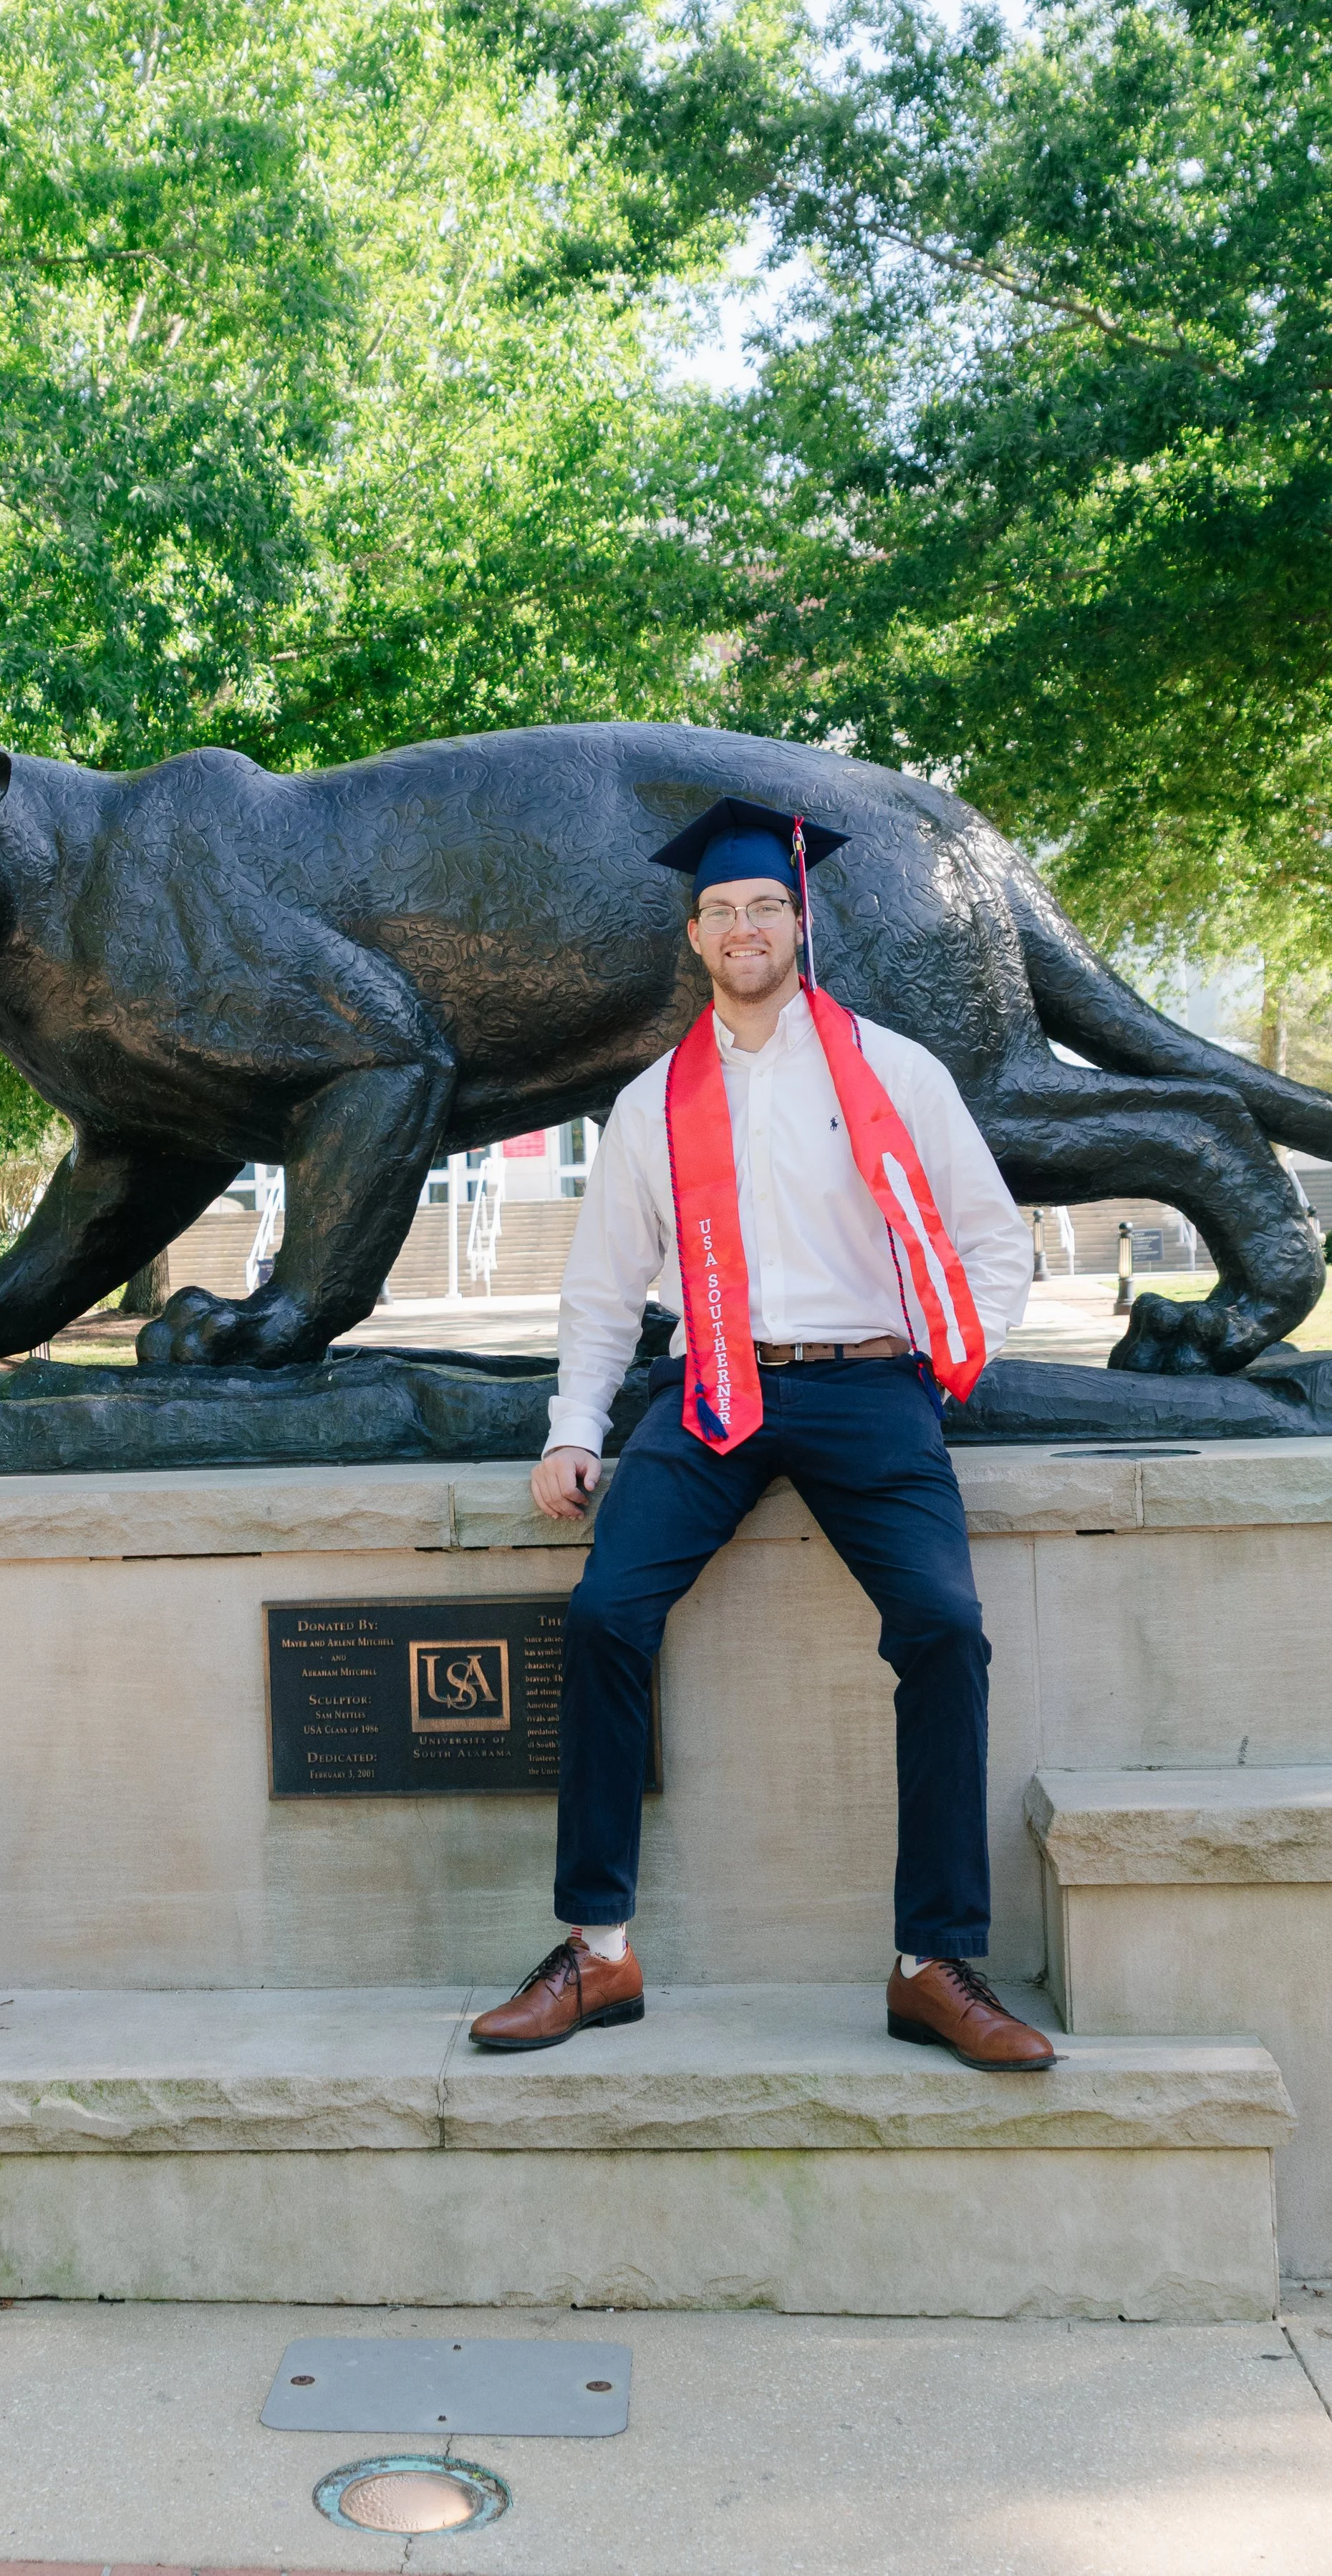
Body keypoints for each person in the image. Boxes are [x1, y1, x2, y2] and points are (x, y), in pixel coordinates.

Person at [469, 793, 1052, 2071]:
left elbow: (995, 1240)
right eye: (721, 912)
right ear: (695, 936)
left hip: (870, 1388)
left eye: (764, 908)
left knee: (947, 1633)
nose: (744, 928)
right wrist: (575, 1426)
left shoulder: (895, 1071)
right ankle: (598, 1948)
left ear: (801, 918)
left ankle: (931, 1962)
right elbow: (605, 1287)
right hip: (713, 1389)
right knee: (605, 1613)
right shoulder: (649, 1106)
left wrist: (958, 1357)